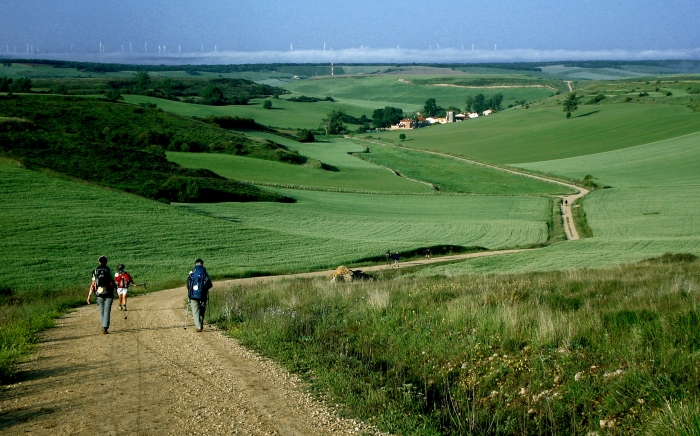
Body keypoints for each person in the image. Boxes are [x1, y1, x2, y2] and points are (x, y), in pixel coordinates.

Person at [87, 255, 115, 334]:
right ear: (106, 262)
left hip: (98, 293)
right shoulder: (109, 270)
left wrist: (89, 296)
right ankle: (105, 327)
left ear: (99, 262)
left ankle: (103, 326)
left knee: (101, 310)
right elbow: (113, 281)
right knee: (107, 310)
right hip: (108, 292)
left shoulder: (95, 271)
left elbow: (93, 284)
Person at [186, 258, 213, 332]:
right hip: (203, 295)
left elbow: (187, 284)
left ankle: (198, 326)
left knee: (195, 311)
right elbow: (210, 284)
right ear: (202, 264)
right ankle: (201, 325)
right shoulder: (205, 273)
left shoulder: (192, 272)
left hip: (193, 295)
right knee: (202, 310)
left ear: (195, 264)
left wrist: (190, 291)